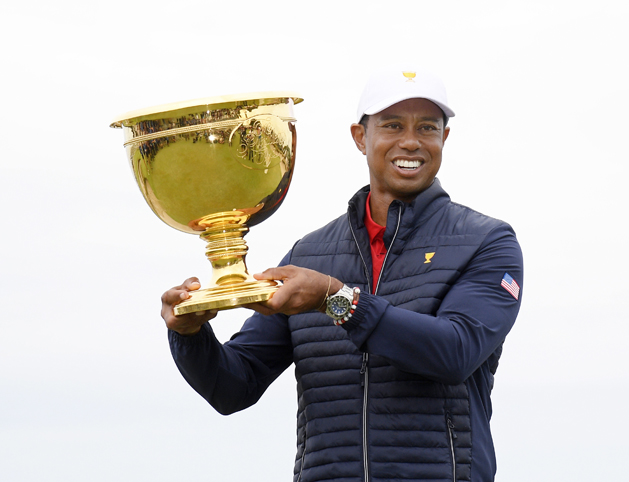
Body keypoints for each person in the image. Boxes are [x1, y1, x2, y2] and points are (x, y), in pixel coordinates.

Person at [162, 68, 524, 482]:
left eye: (427, 127)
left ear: (444, 138)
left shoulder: (487, 242)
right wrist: (190, 335)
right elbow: (234, 387)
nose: (411, 141)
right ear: (360, 137)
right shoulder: (310, 254)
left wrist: (337, 301)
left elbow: (455, 352)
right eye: (392, 125)